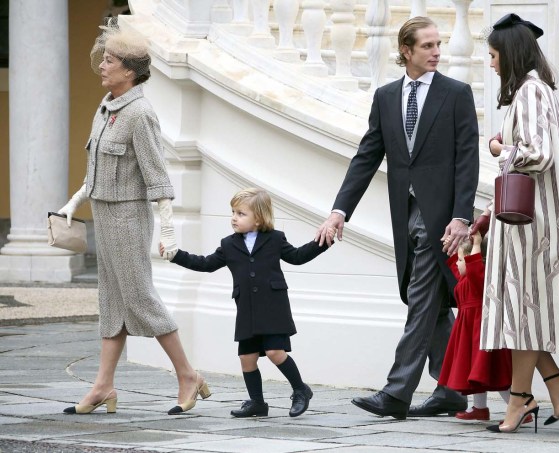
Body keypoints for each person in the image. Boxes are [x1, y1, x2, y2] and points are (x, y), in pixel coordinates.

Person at [316, 16, 479, 419]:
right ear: (406, 51)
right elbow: (367, 156)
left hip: (440, 219)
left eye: (439, 44)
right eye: (427, 46)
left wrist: (461, 216)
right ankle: (451, 388)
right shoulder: (386, 96)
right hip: (403, 214)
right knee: (432, 302)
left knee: (421, 299)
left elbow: (468, 159)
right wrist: (340, 212)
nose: (437, 52)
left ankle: (396, 393)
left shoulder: (457, 93)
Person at [471, 13, 559, 434]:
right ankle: (555, 382)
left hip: (534, 229)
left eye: (494, 55)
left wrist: (501, 146)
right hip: (537, 223)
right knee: (524, 313)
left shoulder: (531, 93)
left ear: (510, 54)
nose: (491, 63)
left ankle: (521, 398)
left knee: (522, 311)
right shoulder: (536, 90)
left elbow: (538, 154)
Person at [58, 20, 209, 416]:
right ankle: (103, 385)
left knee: (140, 298)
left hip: (128, 217)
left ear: (130, 70)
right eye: (104, 58)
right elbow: (95, 169)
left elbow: (157, 176)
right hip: (103, 216)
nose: (102, 66)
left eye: (110, 60)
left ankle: (188, 374)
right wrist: (73, 204)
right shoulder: (105, 106)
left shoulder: (140, 113)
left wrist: (170, 231)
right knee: (111, 302)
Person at [161, 188, 329, 418]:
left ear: (258, 218)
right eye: (233, 212)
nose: (233, 217)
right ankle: (257, 403)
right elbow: (206, 263)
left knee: (274, 352)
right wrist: (176, 255)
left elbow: (298, 257)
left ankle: (301, 390)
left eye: (241, 213)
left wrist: (324, 241)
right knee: (246, 358)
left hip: (273, 307)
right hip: (247, 310)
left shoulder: (275, 239)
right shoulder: (228, 244)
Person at [438, 231, 520, 423]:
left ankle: (518, 410)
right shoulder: (467, 278)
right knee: (474, 373)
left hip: (480, 334)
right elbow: (462, 270)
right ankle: (479, 409)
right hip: (469, 334)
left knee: (494, 374)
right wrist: (452, 250)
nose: (457, 264)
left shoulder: (479, 278)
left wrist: (475, 244)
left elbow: (474, 267)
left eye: (460, 260)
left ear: (473, 259)